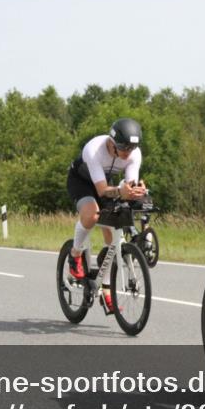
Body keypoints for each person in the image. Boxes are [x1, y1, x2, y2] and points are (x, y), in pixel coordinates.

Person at [66, 118, 148, 313]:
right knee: (92, 215)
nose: (128, 152)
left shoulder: (134, 154)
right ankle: (75, 254)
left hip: (106, 182)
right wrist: (122, 192)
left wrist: (138, 192)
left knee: (113, 239)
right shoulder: (94, 149)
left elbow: (130, 184)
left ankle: (105, 289)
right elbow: (102, 190)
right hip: (82, 181)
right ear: (112, 143)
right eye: (124, 147)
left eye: (132, 148)